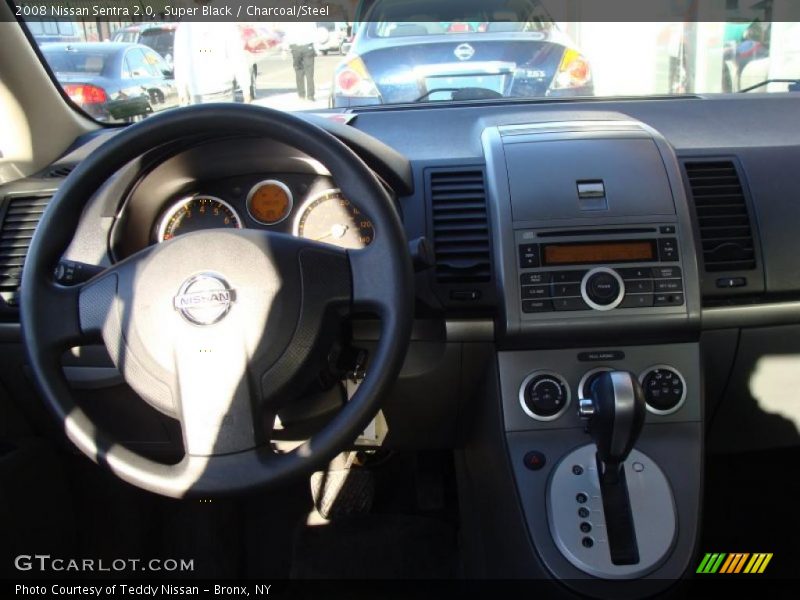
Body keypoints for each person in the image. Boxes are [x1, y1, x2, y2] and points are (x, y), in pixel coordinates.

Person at [173, 3, 252, 105]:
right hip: (221, 91)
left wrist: (182, 91)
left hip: (201, 93)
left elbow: (180, 61)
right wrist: (246, 89)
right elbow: (237, 57)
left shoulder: (185, 25)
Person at [283, 22, 318, 101]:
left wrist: (284, 49)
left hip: (295, 47)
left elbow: (287, 35)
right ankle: (310, 96)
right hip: (308, 46)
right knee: (309, 73)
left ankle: (301, 95)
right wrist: (317, 48)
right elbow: (315, 33)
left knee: (299, 72)